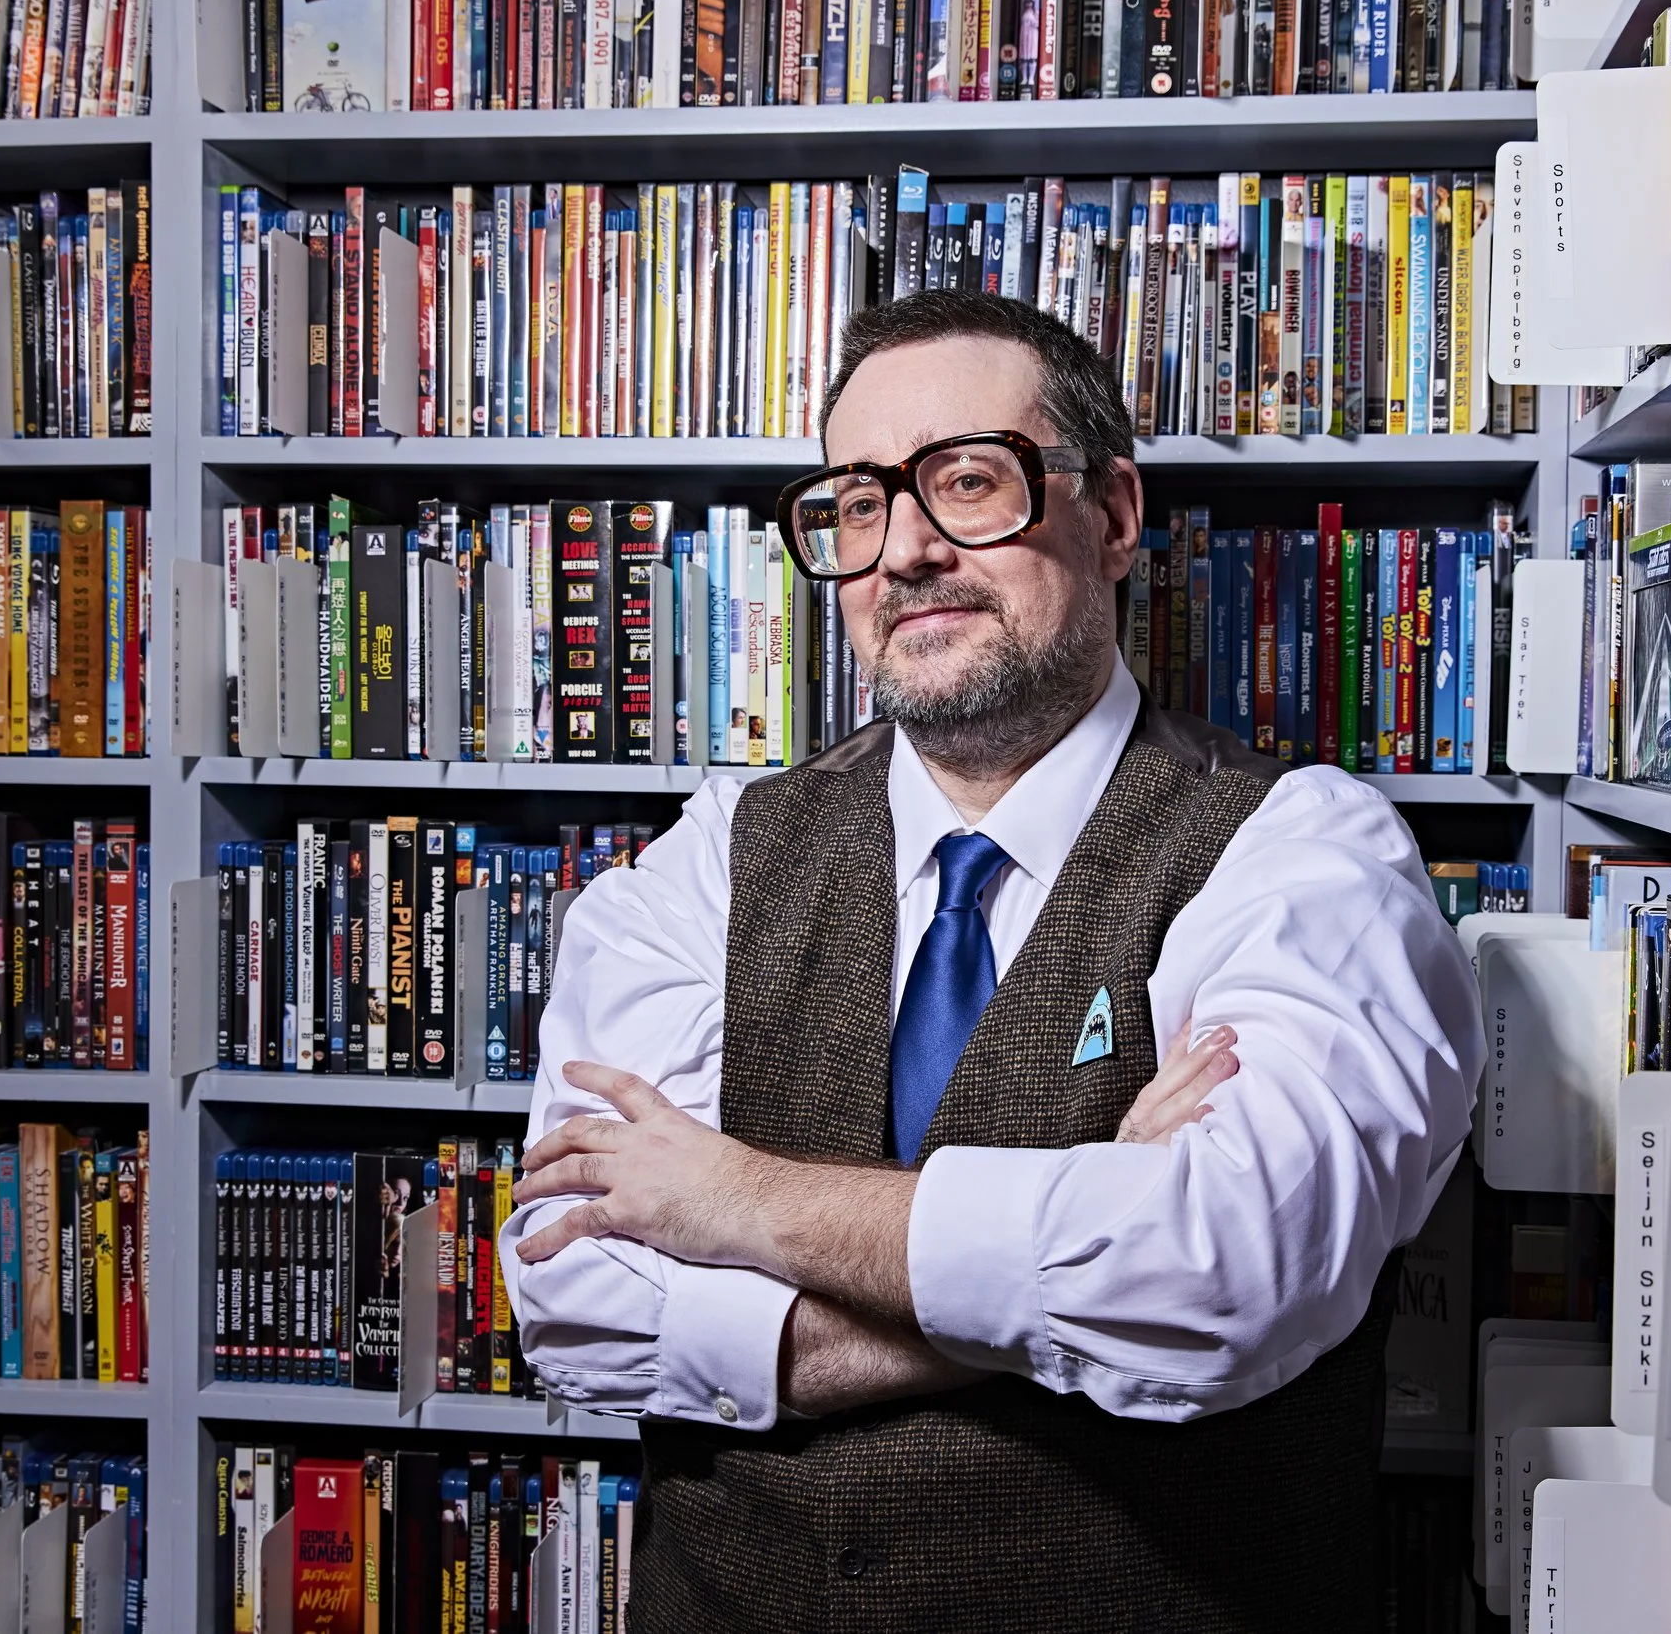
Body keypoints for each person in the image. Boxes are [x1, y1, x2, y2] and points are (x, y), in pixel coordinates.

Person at [504, 288, 1483, 1631]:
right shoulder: (713, 856)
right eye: (859, 503)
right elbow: (574, 1300)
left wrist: (736, 1199)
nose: (905, 550)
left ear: (1114, 515)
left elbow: (1224, 1273)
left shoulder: (1304, 851)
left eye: (969, 480)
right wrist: (1084, 1242)